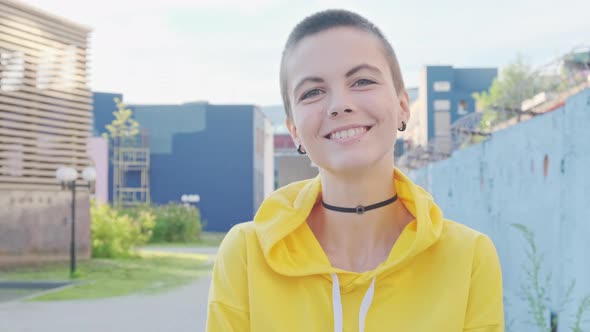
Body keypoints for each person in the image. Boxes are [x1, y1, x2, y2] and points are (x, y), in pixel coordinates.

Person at [206, 9, 504, 332]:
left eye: (362, 81)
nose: (339, 104)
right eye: (312, 92)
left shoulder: (469, 258)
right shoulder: (246, 255)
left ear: (403, 105)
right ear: (294, 131)